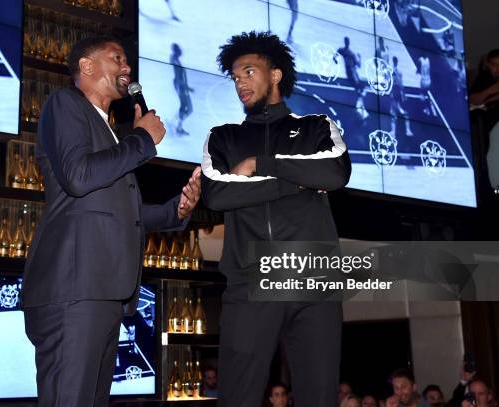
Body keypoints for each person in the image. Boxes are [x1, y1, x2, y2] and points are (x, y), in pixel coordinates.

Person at [22, 35, 201, 407]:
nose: (127, 68)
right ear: (86, 67)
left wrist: (176, 211)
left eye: (127, 61)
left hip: (103, 292)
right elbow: (78, 176)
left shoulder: (109, 130)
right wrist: (140, 140)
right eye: (117, 58)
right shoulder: (66, 104)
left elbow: (118, 213)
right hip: (74, 289)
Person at [202, 31, 351, 407]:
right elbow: (217, 193)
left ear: (276, 75)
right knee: (237, 398)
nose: (240, 83)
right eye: (235, 76)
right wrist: (295, 183)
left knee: (319, 398)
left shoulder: (318, 127)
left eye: (249, 72)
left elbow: (334, 173)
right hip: (250, 281)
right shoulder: (223, 137)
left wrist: (259, 165)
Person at [335, 36, 369, 120]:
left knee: (360, 90)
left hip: (353, 74)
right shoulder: (346, 51)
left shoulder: (350, 53)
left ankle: (361, 109)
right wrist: (335, 59)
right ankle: (361, 110)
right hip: (352, 74)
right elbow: (336, 55)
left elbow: (358, 65)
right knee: (360, 90)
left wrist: (359, 58)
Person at [469, 49, 499, 129]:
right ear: (488, 65)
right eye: (494, 65)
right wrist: (490, 91)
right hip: (489, 123)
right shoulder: (484, 77)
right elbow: (472, 101)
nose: (498, 69)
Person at [170, 43, 194, 135]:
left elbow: (181, 76)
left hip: (181, 86)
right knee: (187, 108)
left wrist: (187, 87)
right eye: (179, 50)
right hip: (181, 86)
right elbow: (180, 77)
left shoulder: (175, 60)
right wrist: (184, 88)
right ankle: (178, 127)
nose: (181, 52)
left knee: (186, 108)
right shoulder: (175, 60)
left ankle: (177, 124)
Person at [390, 56, 414, 137]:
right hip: (398, 93)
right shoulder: (398, 72)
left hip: (396, 94)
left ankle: (395, 132)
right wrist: (403, 94)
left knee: (395, 113)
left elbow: (397, 84)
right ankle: (407, 130)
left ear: (393, 62)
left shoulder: (392, 72)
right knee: (402, 113)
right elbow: (401, 84)